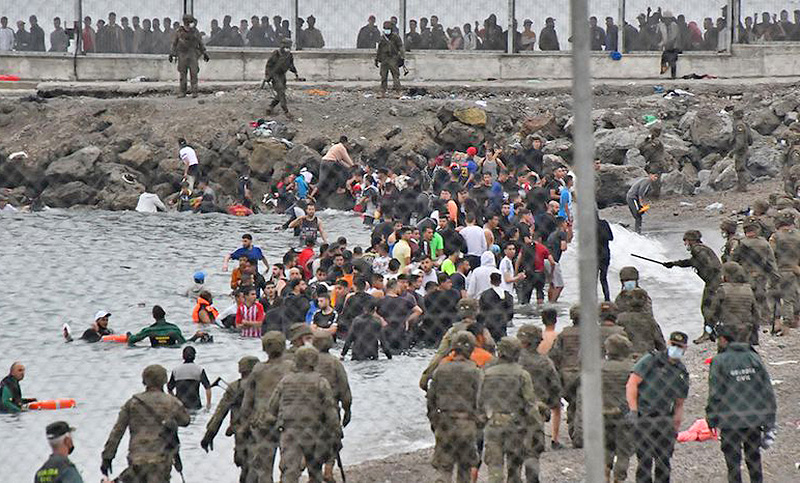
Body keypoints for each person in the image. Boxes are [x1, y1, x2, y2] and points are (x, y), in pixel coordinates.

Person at [706, 326, 777, 483]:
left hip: (730, 421)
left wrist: (711, 418)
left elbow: (715, 393)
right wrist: (769, 419)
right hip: (753, 419)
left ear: (723, 340)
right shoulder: (753, 357)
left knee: (733, 463)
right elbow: (767, 389)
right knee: (754, 459)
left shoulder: (719, 361)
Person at [263, 346, 342, 483]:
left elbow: (272, 407)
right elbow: (330, 410)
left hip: (290, 431)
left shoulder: (285, 381)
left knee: (289, 471)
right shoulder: (320, 382)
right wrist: (336, 431)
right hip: (314, 431)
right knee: (315, 469)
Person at [101, 365, 190, 481]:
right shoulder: (170, 402)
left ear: (144, 380)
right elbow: (185, 420)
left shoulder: (132, 403)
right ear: (164, 380)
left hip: (137, 460)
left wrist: (107, 457)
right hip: (160, 461)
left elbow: (117, 432)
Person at [626, 331, 690, 483]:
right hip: (644, 417)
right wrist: (633, 410)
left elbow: (679, 404)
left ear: (685, 348)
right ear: (668, 343)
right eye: (673, 345)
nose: (676, 349)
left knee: (664, 462)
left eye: (679, 346)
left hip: (665, 420)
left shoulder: (681, 372)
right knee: (644, 461)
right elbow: (632, 383)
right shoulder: (651, 360)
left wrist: (676, 426)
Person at [480, 336, 540, 483]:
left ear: (500, 352)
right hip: (516, 425)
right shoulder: (522, 375)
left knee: (495, 467)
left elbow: (479, 401)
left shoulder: (487, 374)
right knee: (514, 469)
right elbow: (530, 404)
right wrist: (536, 427)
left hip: (493, 423)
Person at [426, 331, 482, 483]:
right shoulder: (475, 372)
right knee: (464, 466)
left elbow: (431, 398)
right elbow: (481, 400)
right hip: (467, 422)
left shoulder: (440, 370)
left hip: (444, 421)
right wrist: (479, 422)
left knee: (444, 466)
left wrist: (434, 420)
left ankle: (443, 480)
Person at [239, 331, 296, 482]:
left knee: (264, 466)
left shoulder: (258, 369)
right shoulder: (291, 368)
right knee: (289, 464)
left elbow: (247, 402)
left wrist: (245, 422)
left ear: (265, 348)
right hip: (287, 420)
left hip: (263, 421)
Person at [201, 356, 259, 482]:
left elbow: (219, 414)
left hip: (240, 433)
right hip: (261, 431)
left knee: (245, 468)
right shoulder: (263, 386)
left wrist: (208, 436)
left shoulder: (234, 387)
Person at [664, 230, 723, 343]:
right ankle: (714, 331)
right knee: (713, 307)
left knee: (706, 307)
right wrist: (673, 264)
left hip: (713, 282)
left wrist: (709, 274)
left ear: (690, 241)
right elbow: (691, 262)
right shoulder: (701, 249)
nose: (685, 244)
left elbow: (708, 264)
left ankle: (708, 333)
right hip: (715, 281)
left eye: (685, 241)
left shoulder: (697, 250)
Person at [312, 332, 353, 481]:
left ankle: (312, 470)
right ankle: (328, 470)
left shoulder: (309, 362)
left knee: (312, 439)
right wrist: (347, 409)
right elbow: (344, 388)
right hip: (331, 407)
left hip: (310, 408)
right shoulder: (335, 363)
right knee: (333, 439)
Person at [517, 324, 563, 451]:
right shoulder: (545, 362)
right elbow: (555, 386)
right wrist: (553, 404)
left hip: (514, 406)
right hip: (538, 408)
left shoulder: (512, 361)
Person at [732, 220, 780, 335]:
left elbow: (733, 261)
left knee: (746, 299)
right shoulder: (764, 243)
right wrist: (775, 275)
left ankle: (749, 321)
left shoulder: (740, 244)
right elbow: (771, 261)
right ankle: (765, 320)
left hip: (745, 276)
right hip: (761, 275)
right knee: (762, 298)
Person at [601, 334, 635, 483]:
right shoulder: (632, 368)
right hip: (625, 414)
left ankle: (604, 476)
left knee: (606, 448)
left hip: (602, 413)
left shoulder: (599, 367)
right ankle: (619, 479)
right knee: (623, 452)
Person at [548, 304, 582, 447]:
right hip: (586, 372)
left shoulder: (563, 334)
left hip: (567, 374)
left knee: (573, 404)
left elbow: (554, 355)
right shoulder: (593, 333)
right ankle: (579, 435)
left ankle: (573, 431)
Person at [768, 212, 800, 333]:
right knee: (794, 296)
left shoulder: (776, 236)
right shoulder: (798, 235)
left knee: (775, 296)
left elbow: (770, 254)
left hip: (780, 270)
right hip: (796, 269)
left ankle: (782, 323)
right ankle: (796, 320)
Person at [616, 288, 666, 359]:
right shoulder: (650, 320)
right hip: (646, 358)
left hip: (627, 357)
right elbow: (660, 344)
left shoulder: (620, 319)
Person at [169, 14, 209, 98]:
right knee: (183, 74)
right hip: (182, 54)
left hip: (192, 54)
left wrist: (204, 53)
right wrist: (171, 53)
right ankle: (182, 92)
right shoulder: (179, 31)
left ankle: (194, 92)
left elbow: (200, 43)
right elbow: (174, 43)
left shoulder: (195, 31)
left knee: (194, 74)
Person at [167, 346, 212, 411]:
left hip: (180, 407)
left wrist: (175, 401)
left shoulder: (176, 370)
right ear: (194, 356)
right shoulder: (199, 369)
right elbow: (208, 388)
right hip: (196, 406)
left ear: (183, 356)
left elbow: (169, 389)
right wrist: (208, 404)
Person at [264, 38, 300, 115]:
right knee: (281, 91)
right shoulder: (276, 53)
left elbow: (291, 65)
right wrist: (267, 76)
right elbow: (269, 65)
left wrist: (296, 73)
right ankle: (285, 111)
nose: (286, 47)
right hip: (275, 75)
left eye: (288, 46)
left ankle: (271, 106)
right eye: (285, 45)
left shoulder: (289, 55)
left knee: (281, 93)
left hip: (282, 75)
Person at [478, 272, 514, 341]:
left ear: (490, 281)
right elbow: (511, 311)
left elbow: (481, 311)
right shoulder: (507, 295)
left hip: (489, 324)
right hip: (502, 325)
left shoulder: (485, 295)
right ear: (500, 281)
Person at [375, 21, 404, 96]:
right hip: (384, 58)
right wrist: (377, 59)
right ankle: (383, 91)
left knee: (395, 76)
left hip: (393, 58)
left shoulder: (396, 37)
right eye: (385, 28)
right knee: (383, 76)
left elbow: (401, 47)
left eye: (388, 28)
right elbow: (379, 49)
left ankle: (398, 91)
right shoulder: (382, 38)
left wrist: (402, 57)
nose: (387, 30)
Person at [731, 109, 753, 192]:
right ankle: (741, 186)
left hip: (741, 150)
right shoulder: (744, 124)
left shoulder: (738, 125)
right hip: (745, 148)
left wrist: (733, 151)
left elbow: (740, 141)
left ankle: (742, 187)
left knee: (740, 168)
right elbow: (750, 138)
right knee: (741, 167)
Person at [597, 214, 614, 301]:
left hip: (594, 255)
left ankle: (592, 300)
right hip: (605, 254)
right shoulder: (604, 223)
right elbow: (611, 238)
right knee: (603, 278)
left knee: (593, 279)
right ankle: (607, 299)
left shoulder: (588, 226)